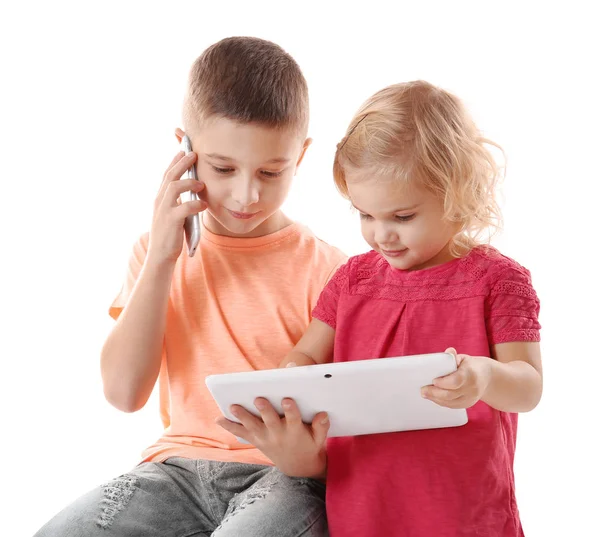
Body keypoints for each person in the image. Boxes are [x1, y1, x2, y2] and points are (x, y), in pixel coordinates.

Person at [34, 36, 346, 537]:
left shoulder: (331, 270)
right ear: (186, 149)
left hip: (284, 478)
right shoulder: (155, 252)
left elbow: (348, 416)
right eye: (223, 168)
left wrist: (313, 461)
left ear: (301, 156)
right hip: (175, 471)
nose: (247, 194)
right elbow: (123, 392)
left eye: (271, 171)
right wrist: (162, 256)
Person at [219, 80, 542, 537]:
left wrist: (483, 375)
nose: (381, 235)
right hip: (363, 503)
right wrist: (291, 381)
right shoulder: (353, 279)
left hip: (460, 508)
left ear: (458, 193)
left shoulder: (497, 280)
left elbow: (528, 388)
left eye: (402, 217)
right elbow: (306, 355)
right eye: (366, 215)